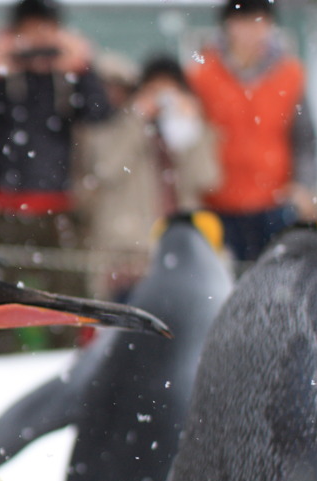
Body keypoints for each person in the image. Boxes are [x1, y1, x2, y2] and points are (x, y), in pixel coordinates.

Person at [0, 0, 112, 352]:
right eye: (29, 31)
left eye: (45, 30)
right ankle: (4, 358)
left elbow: (99, 113)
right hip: (1, 203)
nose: (37, 40)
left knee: (65, 294)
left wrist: (82, 67)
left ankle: (67, 357)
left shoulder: (66, 74)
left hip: (57, 204)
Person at [78, 55, 222, 301]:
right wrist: (137, 118)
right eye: (154, 91)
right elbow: (106, 170)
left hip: (179, 253)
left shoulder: (187, 130)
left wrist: (190, 126)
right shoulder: (116, 124)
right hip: (128, 257)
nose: (162, 100)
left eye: (170, 92)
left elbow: (207, 179)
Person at [189, 0, 317, 264]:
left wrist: (305, 185)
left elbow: (305, 139)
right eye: (246, 22)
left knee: (275, 286)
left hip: (276, 202)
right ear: (229, 26)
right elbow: (190, 139)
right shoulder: (201, 75)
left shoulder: (290, 74)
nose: (255, 31)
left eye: (262, 22)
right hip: (217, 201)